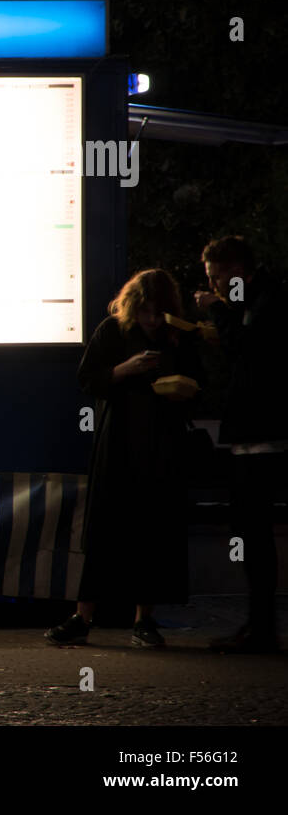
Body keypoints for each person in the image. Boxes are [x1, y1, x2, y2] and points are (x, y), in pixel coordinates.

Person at [46, 269, 202, 648]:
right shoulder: (112, 331)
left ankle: (143, 618)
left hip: (161, 442)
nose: (151, 319)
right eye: (146, 311)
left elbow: (199, 384)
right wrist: (125, 369)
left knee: (153, 529)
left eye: (157, 312)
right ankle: (84, 615)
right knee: (104, 527)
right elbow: (87, 379)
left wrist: (181, 387)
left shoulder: (177, 336)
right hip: (118, 441)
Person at [195, 236, 286, 653]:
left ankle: (262, 627)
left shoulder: (267, 300)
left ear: (238, 271)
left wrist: (217, 313)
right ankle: (258, 623)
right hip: (255, 436)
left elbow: (248, 349)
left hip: (262, 438)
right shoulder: (255, 299)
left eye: (218, 277)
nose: (213, 286)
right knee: (252, 533)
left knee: (254, 531)